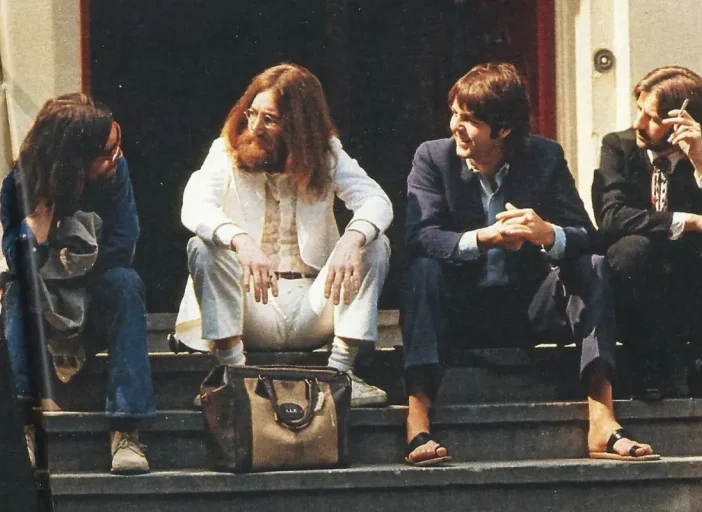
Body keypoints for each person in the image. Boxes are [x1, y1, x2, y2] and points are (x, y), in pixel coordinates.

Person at [400, 62, 657, 466]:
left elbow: (586, 234)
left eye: (469, 120)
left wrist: (547, 233)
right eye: (454, 114)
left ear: (503, 129)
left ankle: (602, 418)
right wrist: (484, 238)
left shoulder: (544, 156)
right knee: (423, 269)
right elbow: (420, 235)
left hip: (529, 306)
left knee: (590, 264)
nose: (455, 127)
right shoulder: (433, 158)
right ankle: (417, 418)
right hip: (460, 309)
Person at [176, 63, 392, 407]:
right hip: (251, 309)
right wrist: (240, 240)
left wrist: (353, 239)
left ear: (299, 124)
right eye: (252, 114)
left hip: (314, 306)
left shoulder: (326, 153)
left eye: (270, 119)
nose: (254, 127)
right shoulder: (225, 150)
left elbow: (376, 200)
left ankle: (340, 373)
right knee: (203, 247)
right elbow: (195, 205)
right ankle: (236, 377)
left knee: (374, 242)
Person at [1, 93, 155, 474]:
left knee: (125, 283)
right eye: (107, 151)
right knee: (19, 292)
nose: (117, 156)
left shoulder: (115, 174)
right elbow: (18, 267)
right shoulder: (19, 185)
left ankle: (126, 429)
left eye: (117, 143)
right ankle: (22, 427)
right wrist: (35, 231)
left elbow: (123, 244)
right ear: (74, 158)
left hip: (91, 297)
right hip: (43, 308)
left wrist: (68, 276)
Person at [591, 66, 702, 401]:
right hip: (638, 282)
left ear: (682, 121)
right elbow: (611, 217)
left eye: (651, 117)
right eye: (639, 110)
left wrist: (700, 162)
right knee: (632, 249)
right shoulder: (618, 147)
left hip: (687, 284)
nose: (638, 123)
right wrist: (689, 221)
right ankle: (647, 360)